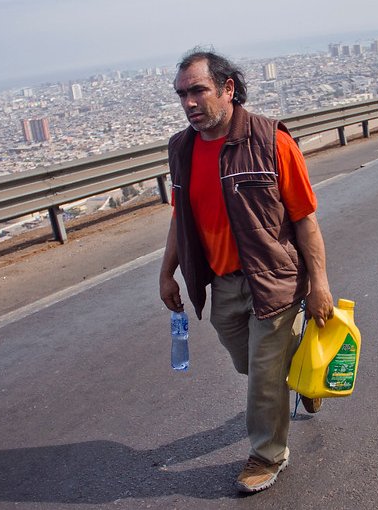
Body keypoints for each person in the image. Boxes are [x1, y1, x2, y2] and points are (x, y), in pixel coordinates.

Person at [158, 49, 334, 493]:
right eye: (182, 94)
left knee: (262, 375)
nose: (189, 102)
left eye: (198, 90)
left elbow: (305, 220)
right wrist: (167, 273)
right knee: (250, 365)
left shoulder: (271, 140)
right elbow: (180, 219)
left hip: (273, 280)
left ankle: (266, 455)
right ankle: (301, 373)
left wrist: (319, 286)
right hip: (222, 285)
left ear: (227, 89)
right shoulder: (181, 149)